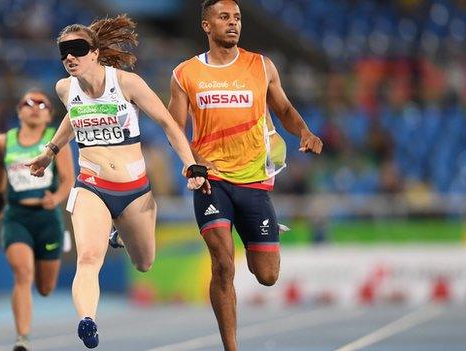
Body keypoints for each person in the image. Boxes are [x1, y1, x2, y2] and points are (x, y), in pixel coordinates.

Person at [26, 15, 208, 349]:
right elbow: (73, 117)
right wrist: (50, 152)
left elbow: (169, 124)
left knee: (144, 262)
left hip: (134, 189)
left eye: (78, 49)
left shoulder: (127, 84)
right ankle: (87, 320)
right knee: (88, 258)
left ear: (94, 53)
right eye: (64, 51)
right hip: (91, 185)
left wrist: (191, 166)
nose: (70, 57)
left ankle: (119, 232)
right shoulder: (65, 88)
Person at [168, 1, 323, 350]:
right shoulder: (185, 74)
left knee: (267, 275)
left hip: (254, 181)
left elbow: (282, 108)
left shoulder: (261, 65)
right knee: (222, 264)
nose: (233, 23)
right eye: (224, 17)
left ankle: (255, 228)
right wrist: (192, 161)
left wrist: (305, 132)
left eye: (237, 18)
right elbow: (174, 128)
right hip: (212, 180)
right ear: (206, 25)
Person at [0, 90, 74, 351]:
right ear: (18, 111)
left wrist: (55, 199)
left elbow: (68, 179)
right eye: (28, 103)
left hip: (47, 219)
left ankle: (44, 267)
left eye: (42, 104)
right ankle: (22, 338)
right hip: (17, 217)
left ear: (49, 115)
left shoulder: (55, 140)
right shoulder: (4, 141)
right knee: (22, 273)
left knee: (45, 288)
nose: (34, 107)